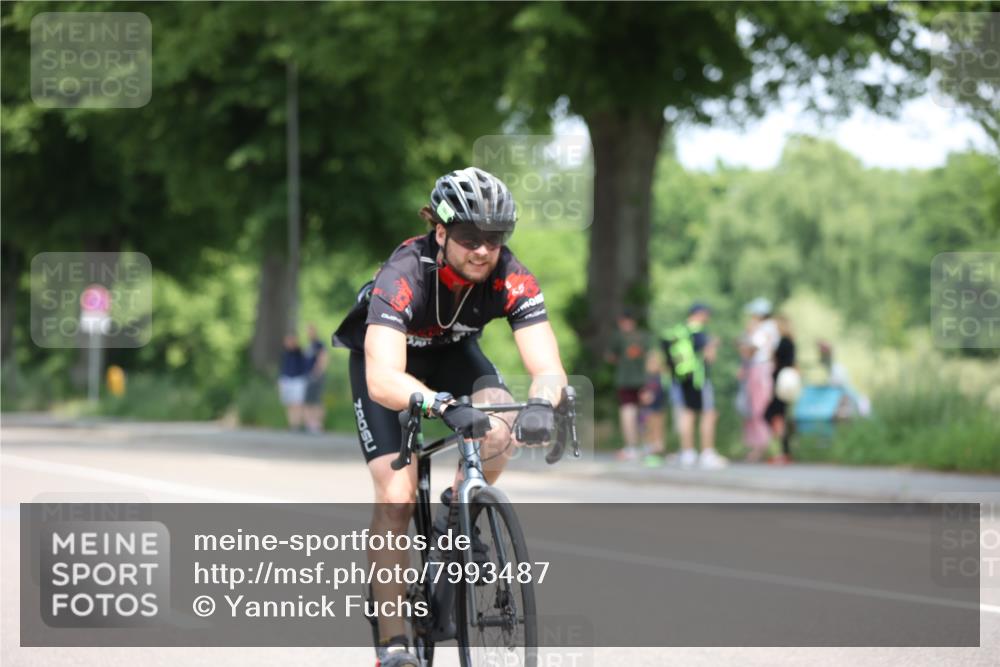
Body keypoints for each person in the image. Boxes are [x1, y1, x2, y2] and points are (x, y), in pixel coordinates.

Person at [332, 167, 568, 667]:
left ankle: (459, 516)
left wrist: (542, 404)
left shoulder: (510, 274)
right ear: (440, 233)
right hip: (389, 367)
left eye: (494, 239)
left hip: (454, 355)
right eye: (468, 238)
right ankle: (393, 645)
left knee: (499, 424)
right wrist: (440, 405)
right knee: (396, 495)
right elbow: (383, 379)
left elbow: (547, 367)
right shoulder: (405, 273)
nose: (482, 250)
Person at [662, 302, 727, 470]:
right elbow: (709, 358)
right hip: (699, 379)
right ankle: (707, 453)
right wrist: (713, 345)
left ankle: (687, 453)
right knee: (708, 413)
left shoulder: (677, 331)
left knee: (686, 413)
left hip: (680, 379)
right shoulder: (699, 332)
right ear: (700, 314)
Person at [606, 309, 653, 461]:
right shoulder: (644, 337)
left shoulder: (618, 336)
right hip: (643, 380)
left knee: (628, 412)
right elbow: (651, 357)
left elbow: (610, 357)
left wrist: (622, 362)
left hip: (625, 379)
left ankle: (632, 447)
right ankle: (646, 445)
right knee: (645, 413)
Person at [742, 297, 778, 462]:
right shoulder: (771, 327)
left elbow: (751, 350)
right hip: (762, 369)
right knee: (758, 408)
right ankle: (761, 446)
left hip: (760, 369)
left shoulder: (764, 329)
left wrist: (749, 335)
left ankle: (761, 446)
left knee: (759, 409)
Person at [764, 314, 797, 464]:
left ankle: (783, 451)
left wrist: (770, 345)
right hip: (783, 384)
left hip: (781, 384)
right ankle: (783, 451)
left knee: (773, 415)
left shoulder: (784, 342)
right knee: (779, 416)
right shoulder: (790, 342)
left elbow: (776, 360)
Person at [638, 350, 667, 467]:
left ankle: (657, 450)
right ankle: (649, 451)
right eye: (650, 363)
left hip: (658, 408)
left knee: (657, 429)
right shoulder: (646, 378)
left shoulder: (661, 378)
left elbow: (662, 392)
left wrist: (652, 396)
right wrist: (644, 396)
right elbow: (642, 393)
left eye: (655, 363)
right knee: (647, 429)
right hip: (647, 410)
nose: (653, 365)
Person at [278, 332, 308, 430]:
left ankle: (297, 424)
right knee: (289, 403)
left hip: (297, 379)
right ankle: (292, 424)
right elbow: (281, 367)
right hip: (286, 379)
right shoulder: (284, 352)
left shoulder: (299, 352)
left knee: (298, 403)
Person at [303, 323, 329, 434]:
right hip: (308, 376)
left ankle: (317, 424)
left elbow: (324, 358)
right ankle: (309, 424)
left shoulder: (319, 344)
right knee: (308, 400)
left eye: (310, 331)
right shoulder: (309, 345)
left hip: (316, 376)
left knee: (317, 400)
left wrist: (317, 372)